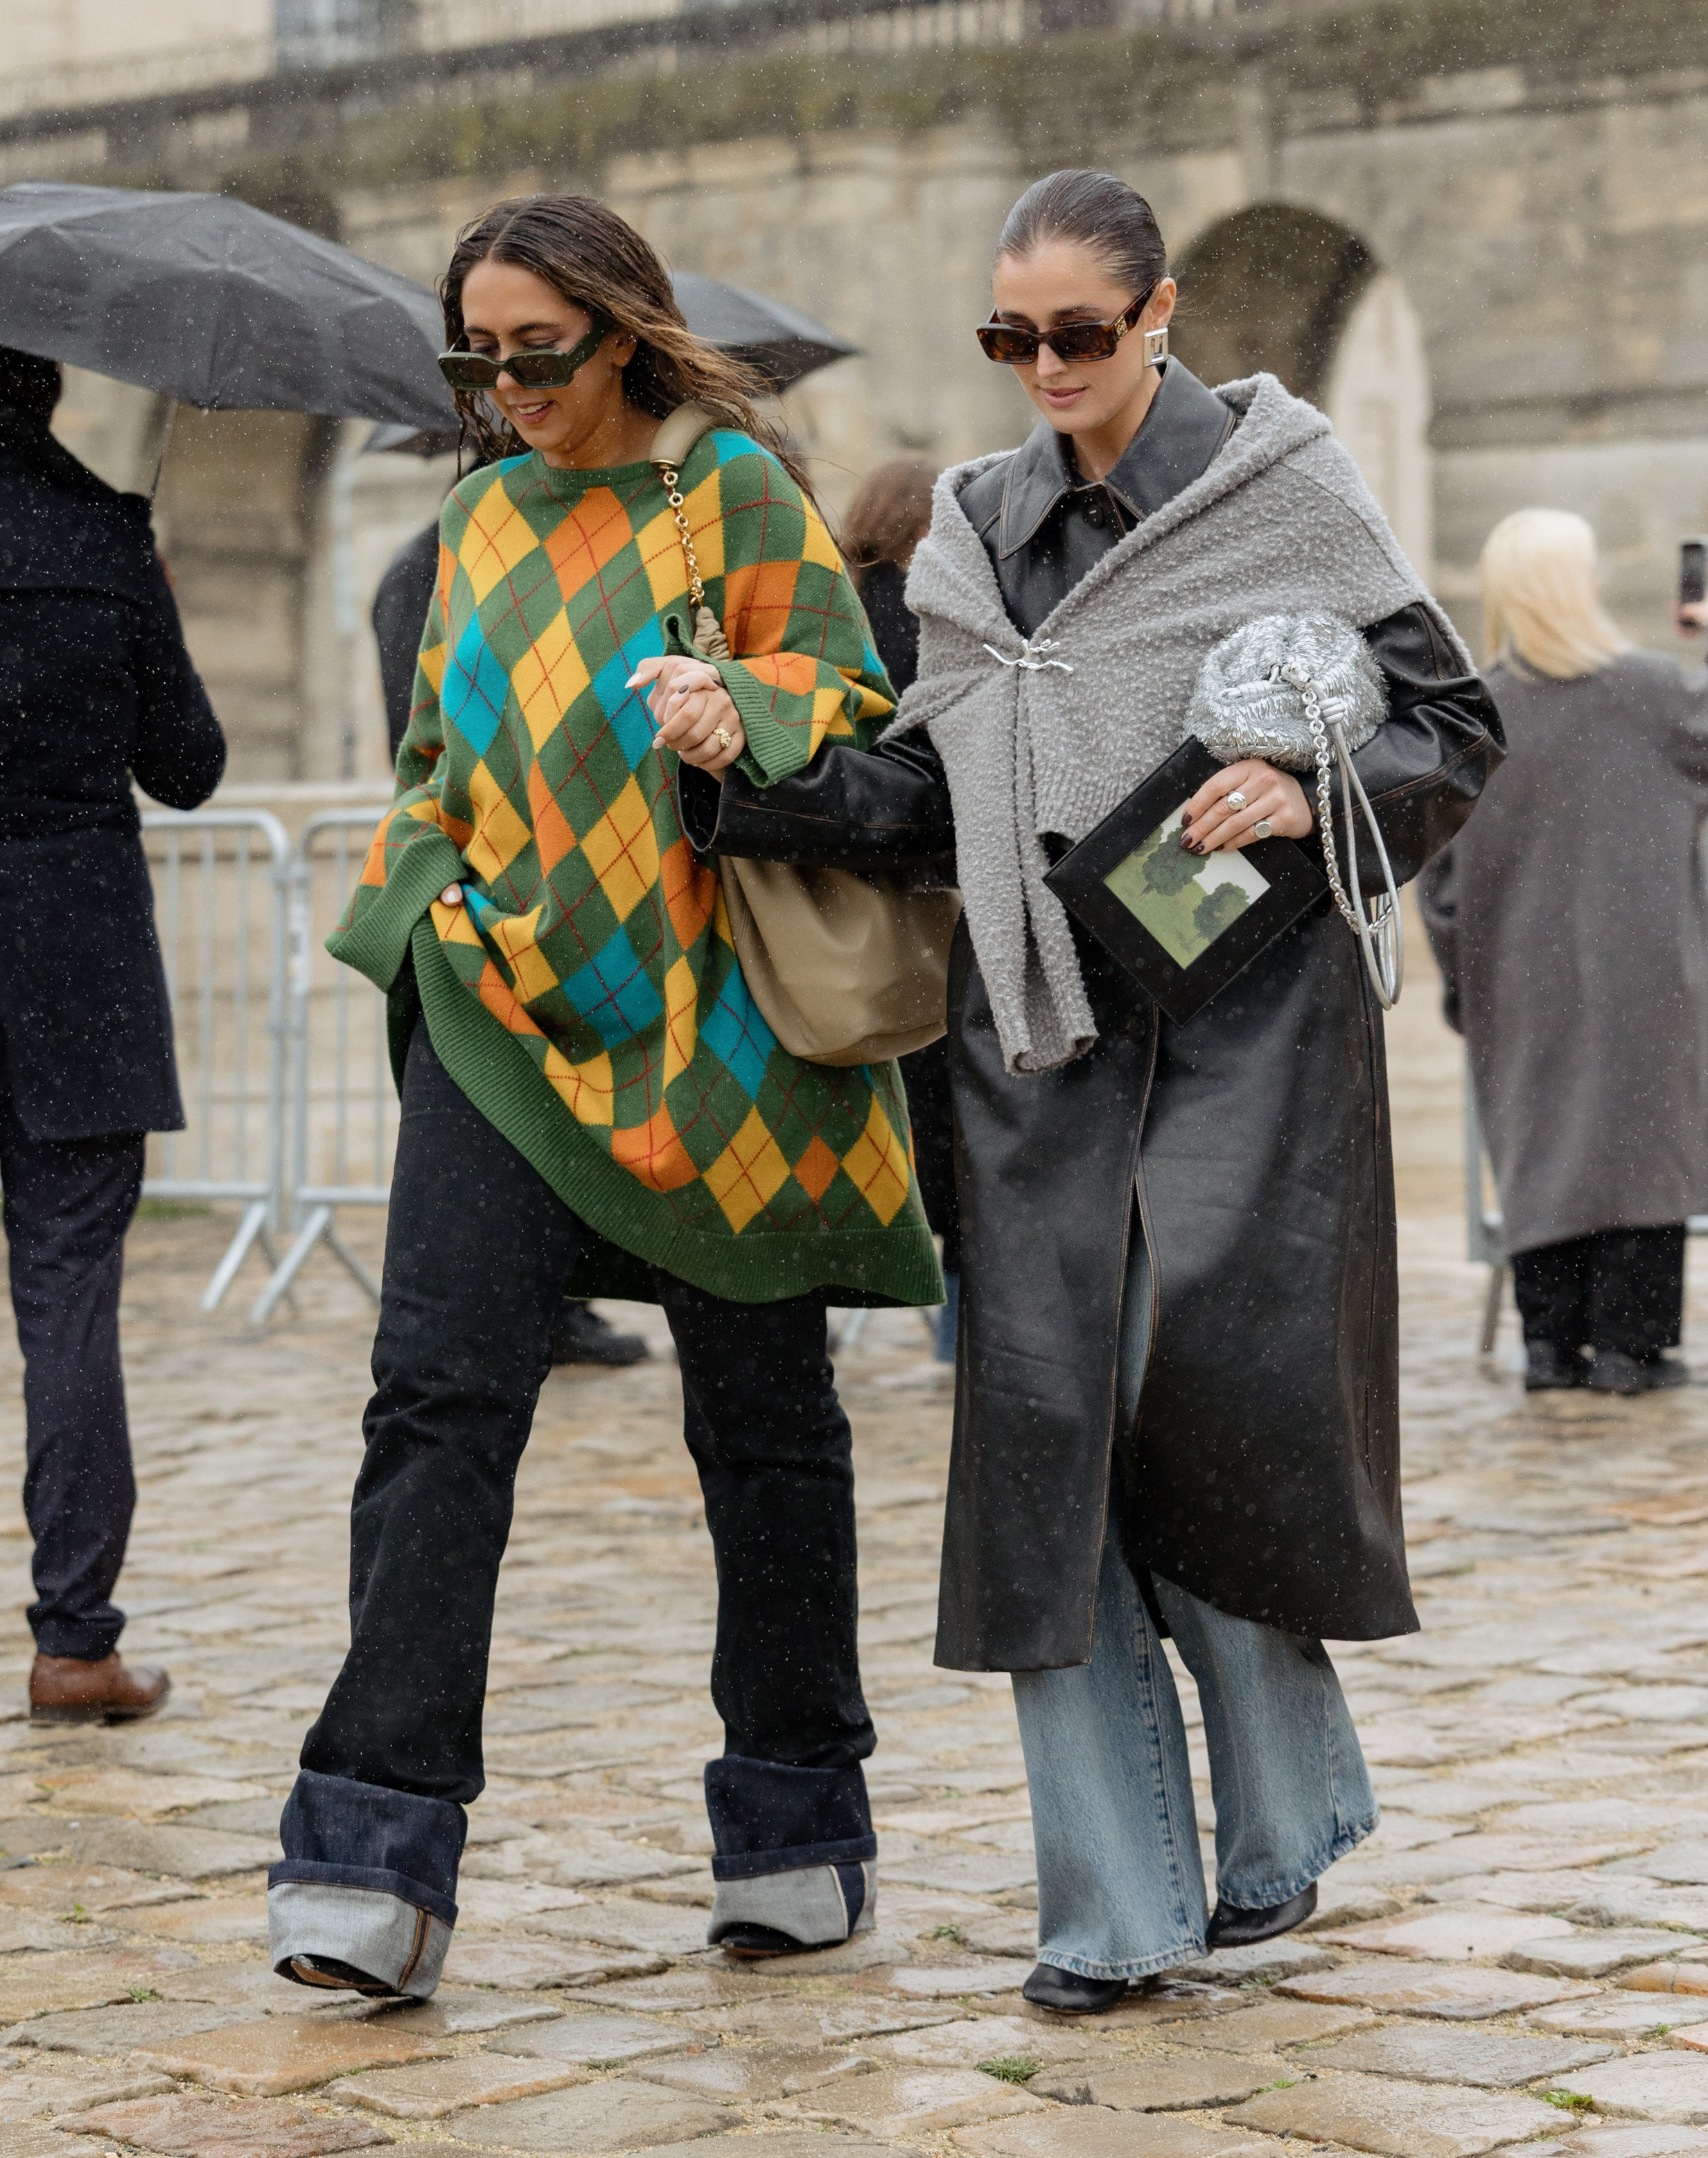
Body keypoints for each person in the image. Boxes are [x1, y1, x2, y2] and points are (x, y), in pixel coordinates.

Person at [644, 169, 1503, 2011]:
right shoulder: (962, 534)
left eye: (1078, 333)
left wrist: (1300, 790)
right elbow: (922, 798)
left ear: (1161, 314)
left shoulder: (1285, 493)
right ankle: (1113, 1911)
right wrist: (749, 767)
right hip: (1028, 1050)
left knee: (1192, 1422)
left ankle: (1285, 1810)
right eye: (1006, 334)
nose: (1043, 364)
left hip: (1245, 1032)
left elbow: (1451, 725)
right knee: (1046, 1466)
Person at [270, 194, 939, 2003]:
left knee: (766, 1427)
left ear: (621, 333)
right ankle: (370, 1860)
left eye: (535, 354)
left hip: (719, 1035)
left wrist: (742, 710)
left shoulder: (727, 490)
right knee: (434, 1403)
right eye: (472, 358)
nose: (504, 389)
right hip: (494, 1009)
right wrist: (418, 916)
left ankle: (797, 1822)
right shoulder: (478, 513)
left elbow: (855, 700)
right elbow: (439, 753)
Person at [0, 328, 226, 1723]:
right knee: (68, 1308)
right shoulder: (100, 531)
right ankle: (74, 1642)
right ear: (44, 387)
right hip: (78, 969)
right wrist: (139, 588)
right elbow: (189, 768)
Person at [1421, 509, 1708, 1396]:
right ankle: (1630, 1348)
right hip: (1647, 967)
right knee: (1639, 1147)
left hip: (1516, 973)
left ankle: (1549, 1344)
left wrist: (1465, 978)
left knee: (1542, 1143)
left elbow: (1434, 874)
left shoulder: (1474, 716)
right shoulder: (1655, 689)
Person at [371, 522, 649, 1372]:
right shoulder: (456, 552)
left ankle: (557, 1308)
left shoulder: (419, 560)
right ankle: (557, 1308)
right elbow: (429, 739)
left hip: (499, 889)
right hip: (520, 894)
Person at [839, 457, 960, 1363]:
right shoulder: (926, 617)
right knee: (959, 1133)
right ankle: (962, 1325)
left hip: (857, 893)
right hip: (932, 896)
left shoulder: (839, 603)